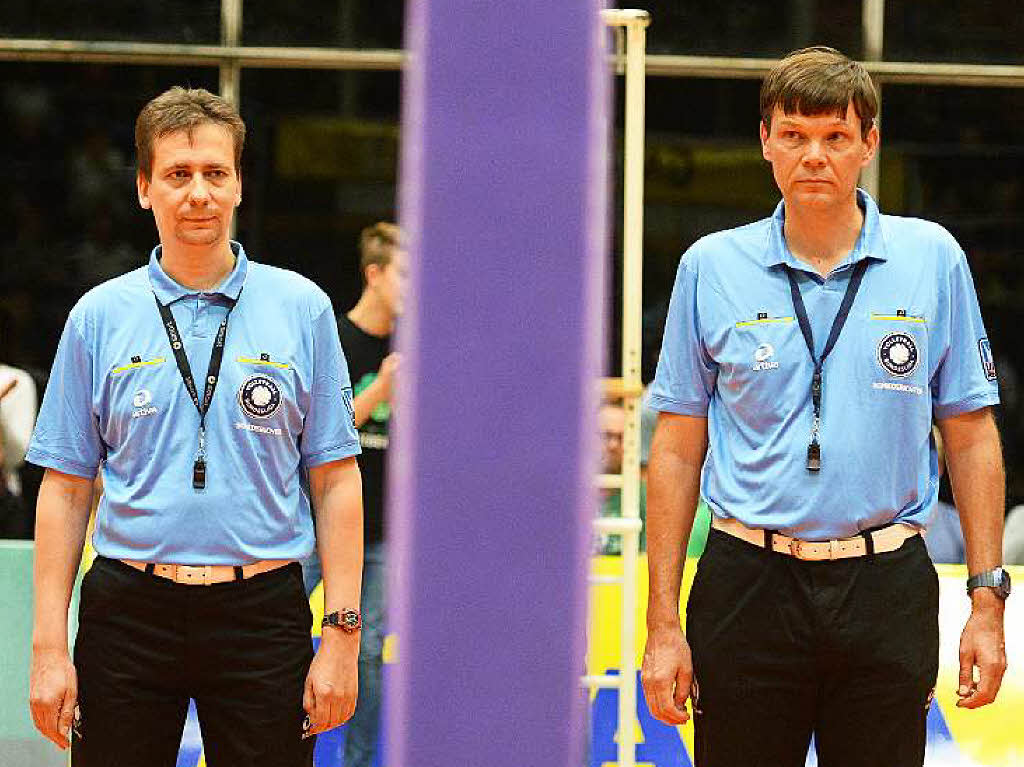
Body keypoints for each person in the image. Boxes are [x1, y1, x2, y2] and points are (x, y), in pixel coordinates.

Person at [641, 47, 1008, 767]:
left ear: (869, 144)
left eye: (836, 136)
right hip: (747, 578)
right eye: (794, 134)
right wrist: (661, 622)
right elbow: (678, 447)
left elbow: (969, 432)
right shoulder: (710, 267)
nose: (815, 156)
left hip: (886, 579)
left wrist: (987, 604)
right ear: (765, 142)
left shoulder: (931, 257)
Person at [26, 86, 364, 766]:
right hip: (127, 610)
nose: (199, 193)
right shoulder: (98, 316)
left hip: (264, 608)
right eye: (178, 175)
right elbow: (65, 489)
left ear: (239, 183)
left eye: (215, 172)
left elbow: (335, 479)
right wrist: (47, 647)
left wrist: (341, 636)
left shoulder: (303, 308)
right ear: (145, 187)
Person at [303, 221, 403, 766]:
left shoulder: (419, 349)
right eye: (406, 275)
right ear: (375, 274)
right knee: (283, 636)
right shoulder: (335, 340)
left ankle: (360, 763)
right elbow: (314, 434)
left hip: (383, 531)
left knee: (366, 653)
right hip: (315, 525)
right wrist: (382, 391)